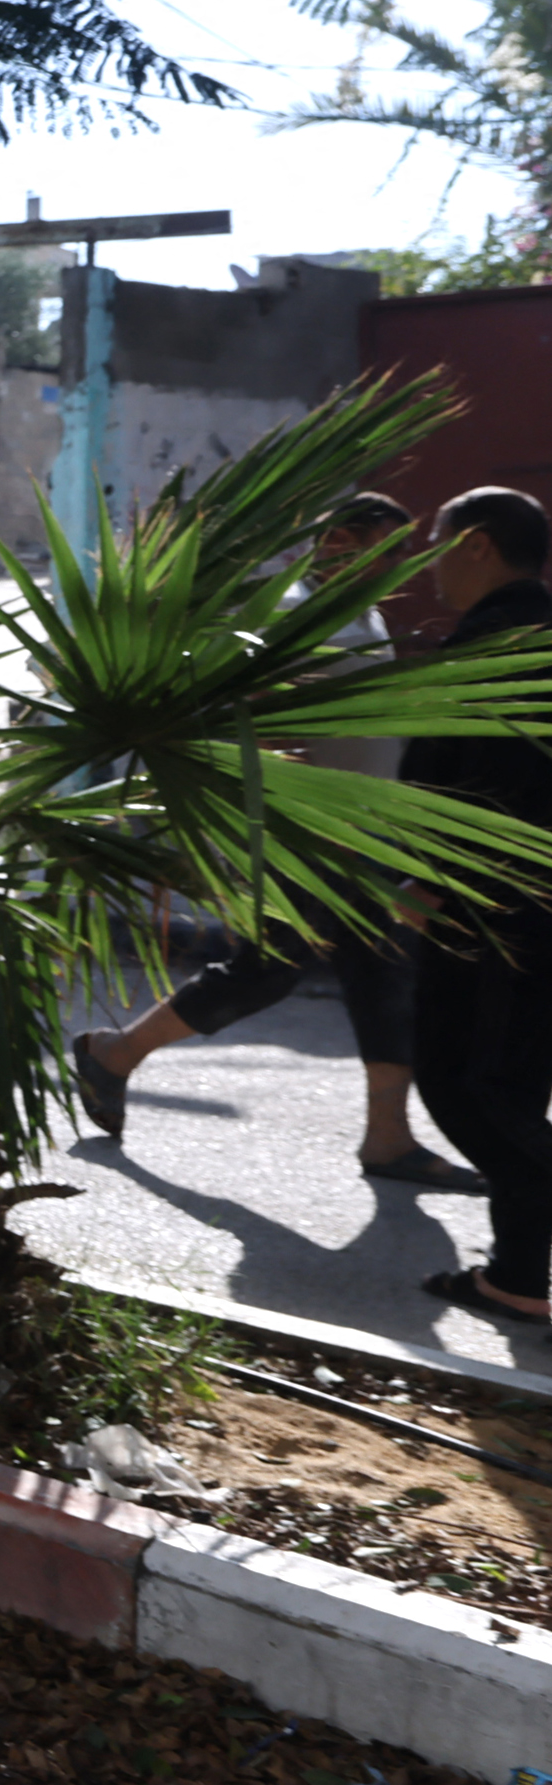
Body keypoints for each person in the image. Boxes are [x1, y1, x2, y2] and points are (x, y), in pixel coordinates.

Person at [70, 494, 477, 1188]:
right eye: (388, 550)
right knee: (269, 970)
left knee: (386, 980)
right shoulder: (291, 612)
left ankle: (388, 1137)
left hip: (364, 839)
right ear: (339, 540)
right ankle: (115, 1052)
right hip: (308, 843)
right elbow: (244, 718)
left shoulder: (361, 612)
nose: (400, 569)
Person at [402, 485, 552, 1337]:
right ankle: (520, 1280)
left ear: (479, 544)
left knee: (470, 1084)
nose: (427, 567)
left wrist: (426, 883)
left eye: (436, 543)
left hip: (494, 904)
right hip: (521, 900)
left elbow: (467, 783)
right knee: (513, 1085)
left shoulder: (493, 648)